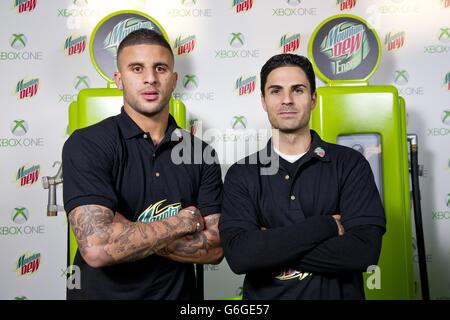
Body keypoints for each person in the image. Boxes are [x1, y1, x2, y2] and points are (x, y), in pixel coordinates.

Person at [62, 28, 223, 300]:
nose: (150, 79)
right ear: (119, 79)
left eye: (160, 68)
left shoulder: (201, 152)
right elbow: (97, 248)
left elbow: (215, 248)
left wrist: (127, 231)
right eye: (137, 69)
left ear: (173, 80)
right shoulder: (88, 143)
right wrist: (183, 222)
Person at [219, 53, 386, 300]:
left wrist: (268, 245)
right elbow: (241, 256)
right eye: (276, 91)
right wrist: (326, 226)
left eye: (298, 90)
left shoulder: (350, 164)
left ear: (313, 99)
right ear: (263, 101)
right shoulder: (242, 174)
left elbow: (363, 252)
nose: (287, 100)